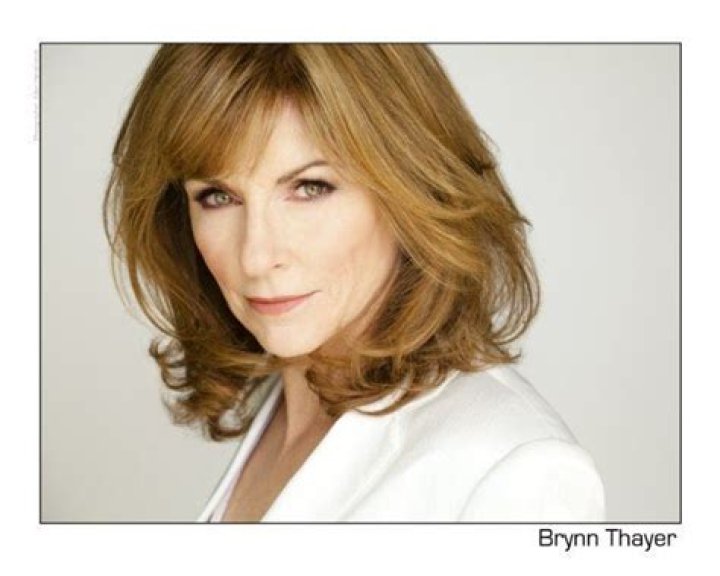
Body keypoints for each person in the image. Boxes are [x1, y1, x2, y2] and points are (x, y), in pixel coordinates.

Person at [104, 44, 605, 522]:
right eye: (217, 197)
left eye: (310, 188)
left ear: (411, 190)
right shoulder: (280, 408)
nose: (256, 257)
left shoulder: (516, 470)